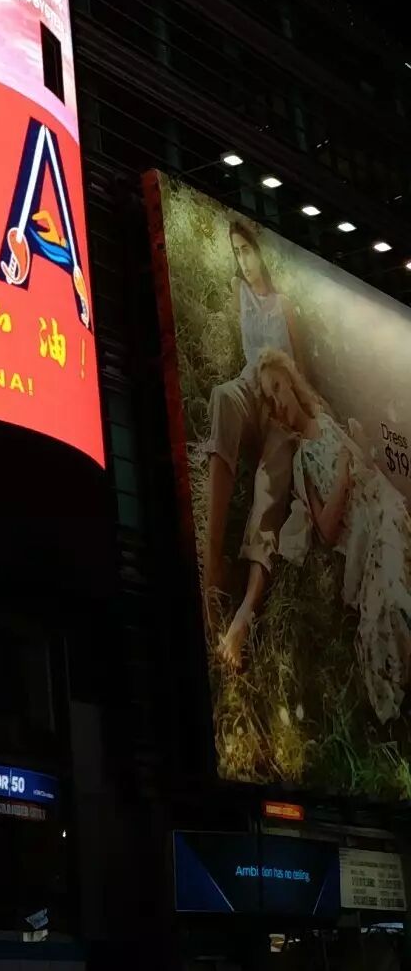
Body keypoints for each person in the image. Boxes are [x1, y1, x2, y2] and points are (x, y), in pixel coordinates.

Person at [258, 348, 411, 723]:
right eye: (269, 399)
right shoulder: (301, 463)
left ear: (290, 382)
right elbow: (326, 532)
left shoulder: (325, 421)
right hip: (362, 542)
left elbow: (367, 466)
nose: (278, 401)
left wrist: (361, 443)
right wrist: (342, 476)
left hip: (382, 508)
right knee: (388, 614)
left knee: (399, 579)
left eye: (278, 387)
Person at [201, 217, 301, 667]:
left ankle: (244, 615)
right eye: (236, 252)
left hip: (279, 400)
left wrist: (303, 410)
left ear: (261, 251)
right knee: (222, 397)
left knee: (270, 484)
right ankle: (212, 567)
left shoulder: (285, 305)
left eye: (248, 250)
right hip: (248, 382)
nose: (243, 260)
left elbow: (299, 369)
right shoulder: (238, 292)